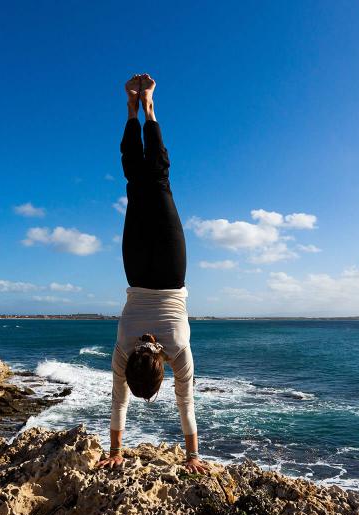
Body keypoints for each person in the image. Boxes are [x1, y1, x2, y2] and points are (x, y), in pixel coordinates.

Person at [96, 74, 208, 474]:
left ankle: (148, 109)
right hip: (138, 269)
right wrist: (115, 448)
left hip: (172, 273)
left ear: (161, 373)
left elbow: (186, 404)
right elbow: (117, 404)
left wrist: (193, 456)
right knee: (138, 185)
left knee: (157, 183)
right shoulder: (124, 348)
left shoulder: (177, 350)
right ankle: (135, 110)